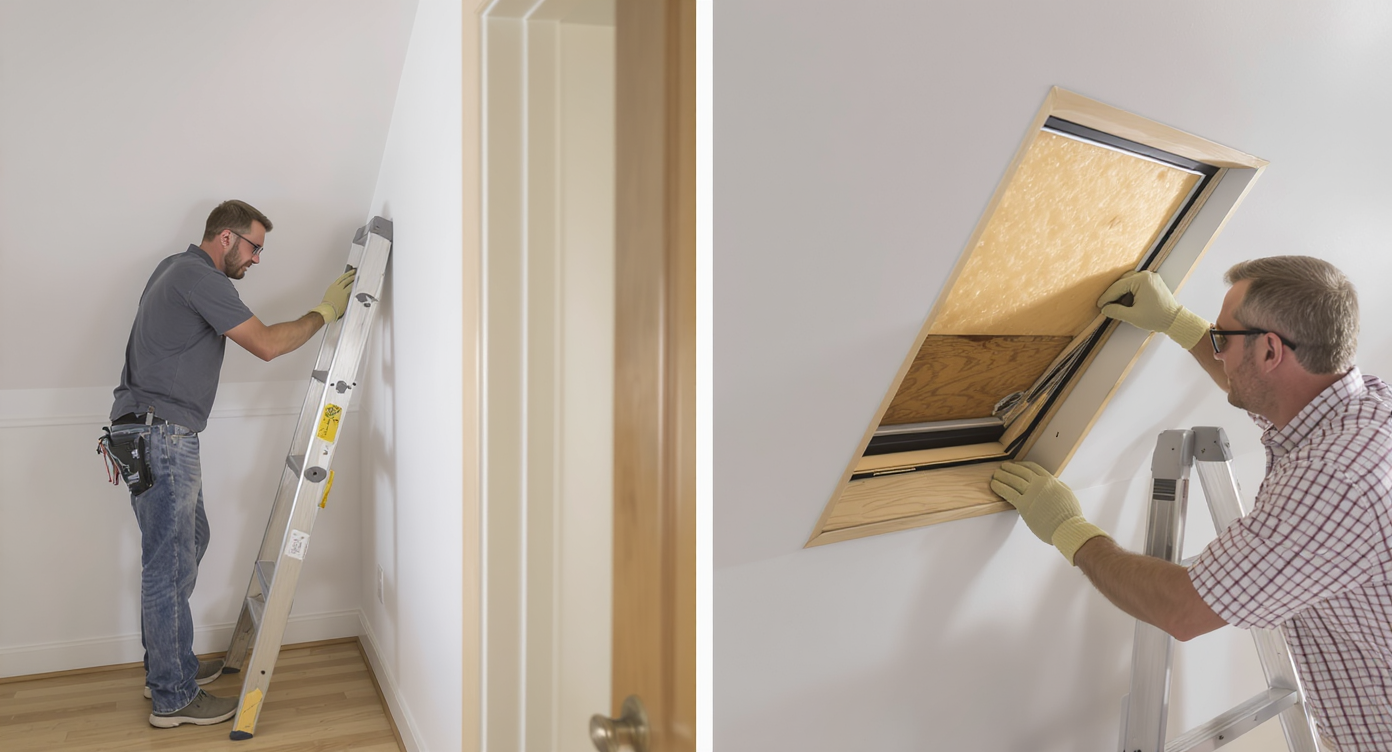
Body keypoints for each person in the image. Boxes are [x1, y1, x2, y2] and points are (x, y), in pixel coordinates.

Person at [989, 257, 1391, 752]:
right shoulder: (1364, 407)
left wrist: (1069, 530)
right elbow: (1268, 393)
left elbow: (1184, 609)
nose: (1217, 351)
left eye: (1223, 339)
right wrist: (1176, 322)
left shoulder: (1331, 481)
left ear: (1270, 350)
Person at [108, 200, 356, 728]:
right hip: (162, 434)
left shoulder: (173, 268)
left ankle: (168, 668)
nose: (257, 259)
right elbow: (265, 344)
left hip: (146, 430)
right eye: (254, 247)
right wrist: (326, 311)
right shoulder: (200, 278)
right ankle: (173, 697)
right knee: (168, 564)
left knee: (187, 544)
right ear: (226, 237)